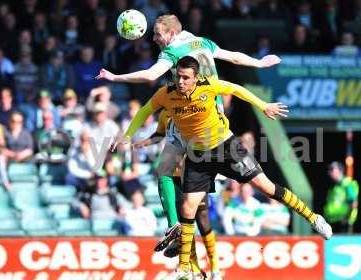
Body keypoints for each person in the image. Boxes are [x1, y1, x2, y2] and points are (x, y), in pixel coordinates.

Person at [115, 56, 333, 280]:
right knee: (188, 207)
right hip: (198, 157)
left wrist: (263, 105)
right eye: (178, 76)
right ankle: (183, 268)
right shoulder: (165, 94)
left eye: (185, 77)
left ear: (196, 78)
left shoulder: (209, 85)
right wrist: (128, 135)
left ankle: (313, 218)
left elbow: (238, 89)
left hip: (226, 148)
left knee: (267, 188)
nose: (180, 81)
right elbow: (144, 111)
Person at [96, 14, 281, 253]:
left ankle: (178, 228)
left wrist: (115, 77)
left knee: (169, 172)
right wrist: (258, 63)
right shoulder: (202, 42)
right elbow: (233, 57)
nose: (153, 39)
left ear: (171, 34)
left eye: (157, 34)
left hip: (192, 114)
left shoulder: (171, 52)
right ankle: (180, 232)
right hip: (212, 113)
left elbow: (151, 75)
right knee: (173, 172)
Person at [133, 108, 222, 280]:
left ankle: (215, 269)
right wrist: (144, 142)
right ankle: (196, 270)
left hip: (197, 172)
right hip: (176, 176)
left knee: (202, 219)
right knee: (185, 223)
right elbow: (159, 134)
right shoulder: (166, 114)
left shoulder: (195, 111)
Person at [324, 161, 359, 233]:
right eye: (329, 170)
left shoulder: (347, 183)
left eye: (332, 169)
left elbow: (353, 203)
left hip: (343, 223)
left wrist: (347, 219)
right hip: (332, 221)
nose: (329, 172)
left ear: (340, 171)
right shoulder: (333, 186)